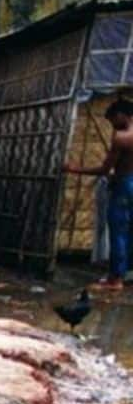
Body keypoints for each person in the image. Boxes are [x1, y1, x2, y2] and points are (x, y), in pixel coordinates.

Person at [66, 99, 133, 290]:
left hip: (124, 186)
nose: (112, 124)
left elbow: (105, 169)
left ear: (121, 115)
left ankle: (116, 280)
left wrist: (75, 169)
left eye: (112, 120)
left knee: (119, 231)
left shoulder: (122, 137)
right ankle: (128, 273)